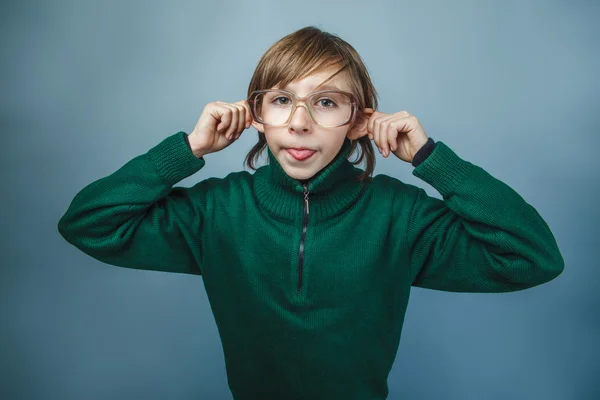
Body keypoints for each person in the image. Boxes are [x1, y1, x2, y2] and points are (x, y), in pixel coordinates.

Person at [57, 26, 565, 400]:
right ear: (255, 116)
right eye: (281, 100)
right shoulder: (215, 211)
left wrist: (432, 160)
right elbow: (88, 223)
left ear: (361, 120)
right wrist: (187, 149)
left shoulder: (401, 216)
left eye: (325, 103)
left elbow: (533, 257)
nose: (299, 123)